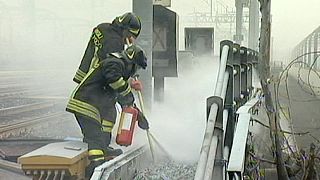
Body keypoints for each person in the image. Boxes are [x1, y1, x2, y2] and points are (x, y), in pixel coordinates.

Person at [66, 45, 149, 178]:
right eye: (136, 67)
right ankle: (96, 168)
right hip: (86, 104)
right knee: (95, 138)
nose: (134, 73)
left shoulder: (117, 67)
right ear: (131, 63)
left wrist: (138, 115)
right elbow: (115, 82)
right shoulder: (114, 63)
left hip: (95, 104)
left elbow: (122, 97)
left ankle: (103, 151)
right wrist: (129, 91)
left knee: (108, 123)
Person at [73, 12, 141, 83]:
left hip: (85, 76)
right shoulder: (115, 43)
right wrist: (130, 83)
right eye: (131, 35)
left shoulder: (102, 28)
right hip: (96, 84)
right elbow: (113, 72)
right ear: (125, 30)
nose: (131, 39)